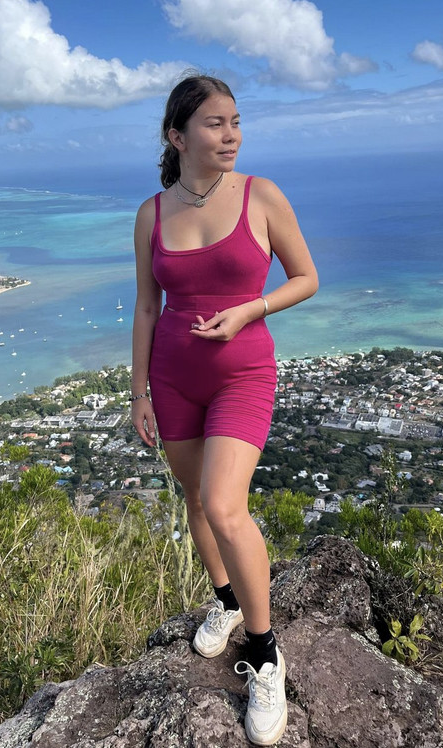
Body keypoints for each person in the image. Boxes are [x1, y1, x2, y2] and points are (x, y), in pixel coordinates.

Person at [130, 74, 318, 746]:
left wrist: (249, 309)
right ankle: (228, 604)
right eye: (215, 123)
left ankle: (265, 654)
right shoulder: (152, 213)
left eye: (236, 121)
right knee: (193, 499)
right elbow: (148, 305)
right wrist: (138, 392)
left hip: (243, 373)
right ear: (176, 136)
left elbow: (306, 276)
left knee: (225, 505)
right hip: (172, 378)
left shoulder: (261, 196)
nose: (232, 134)